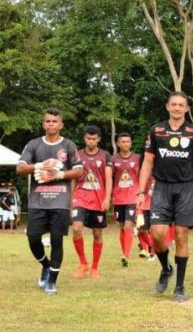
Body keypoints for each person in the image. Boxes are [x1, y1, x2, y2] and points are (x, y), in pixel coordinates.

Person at [137, 91, 193, 302]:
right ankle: (166, 268)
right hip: (161, 188)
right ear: (167, 107)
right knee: (157, 235)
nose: (177, 108)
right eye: (173, 105)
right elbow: (148, 162)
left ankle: (179, 287)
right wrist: (141, 191)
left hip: (186, 188)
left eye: (181, 105)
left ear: (186, 109)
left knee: (180, 235)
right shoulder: (157, 130)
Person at [16, 107, 82, 294]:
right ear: (43, 124)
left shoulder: (68, 145)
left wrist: (59, 173)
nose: (51, 124)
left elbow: (78, 171)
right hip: (37, 201)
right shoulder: (33, 144)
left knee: (56, 240)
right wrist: (39, 166)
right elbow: (20, 168)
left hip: (60, 201)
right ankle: (45, 265)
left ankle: (52, 281)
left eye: (54, 121)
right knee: (33, 238)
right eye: (48, 121)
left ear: (61, 124)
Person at [71, 126, 113, 280]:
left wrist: (107, 198)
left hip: (98, 199)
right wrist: (71, 198)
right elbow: (74, 178)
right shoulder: (77, 155)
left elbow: (108, 178)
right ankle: (83, 263)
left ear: (99, 139)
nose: (91, 141)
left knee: (97, 233)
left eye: (94, 139)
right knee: (76, 228)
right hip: (80, 197)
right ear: (84, 138)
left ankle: (95, 268)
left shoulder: (105, 155)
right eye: (88, 138)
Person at [112, 132, 141, 267]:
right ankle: (124, 252)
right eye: (123, 142)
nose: (125, 144)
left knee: (129, 225)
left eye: (128, 141)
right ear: (118, 143)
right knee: (122, 227)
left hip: (132, 197)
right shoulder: (113, 160)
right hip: (118, 198)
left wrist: (142, 194)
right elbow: (109, 178)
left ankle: (126, 255)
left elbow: (143, 176)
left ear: (131, 143)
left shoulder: (137, 158)